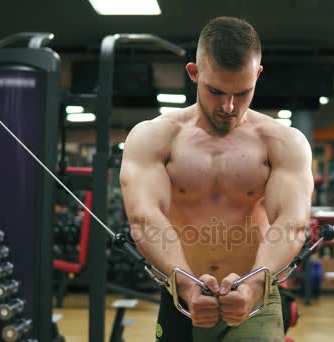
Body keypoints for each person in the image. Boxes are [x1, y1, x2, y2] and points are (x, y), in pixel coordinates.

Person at [120, 16, 313, 342]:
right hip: (182, 296)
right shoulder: (154, 137)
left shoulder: (283, 142)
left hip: (255, 298)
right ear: (194, 73)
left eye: (242, 92)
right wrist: (185, 284)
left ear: (258, 75)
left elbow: (290, 224)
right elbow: (144, 219)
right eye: (215, 91)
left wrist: (254, 285)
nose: (229, 106)